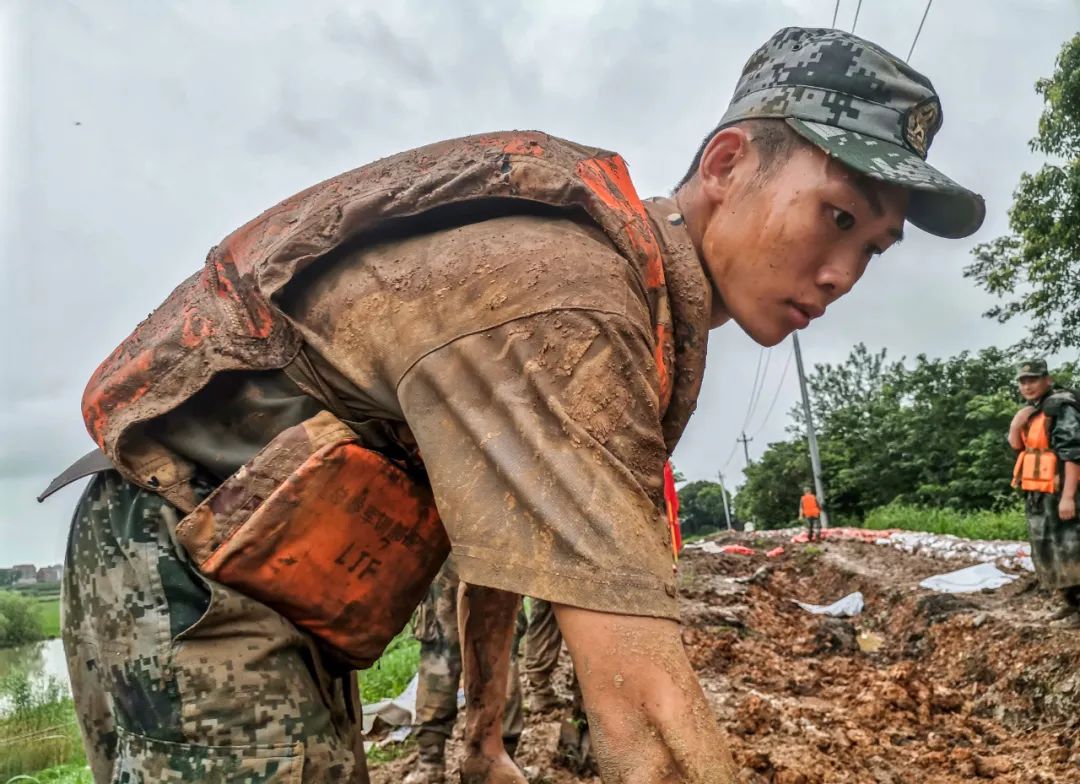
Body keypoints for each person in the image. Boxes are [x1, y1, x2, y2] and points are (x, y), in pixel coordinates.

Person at [43, 26, 984, 783]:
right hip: (190, 556)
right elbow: (648, 722)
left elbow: (500, 553)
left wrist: (482, 738)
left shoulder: (642, 318)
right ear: (729, 162)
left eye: (875, 249)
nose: (844, 272)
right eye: (837, 215)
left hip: (282, 575)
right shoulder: (579, 307)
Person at [406, 559, 525, 784]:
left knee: (441, 651)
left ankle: (430, 763)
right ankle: (498, 759)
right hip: (498, 551)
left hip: (456, 548)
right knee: (498, 648)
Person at [1008, 359, 1080, 628]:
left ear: (1047, 380)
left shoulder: (1061, 407)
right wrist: (1016, 425)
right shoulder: (1032, 411)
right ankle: (1070, 602)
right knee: (1048, 550)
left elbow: (1073, 454)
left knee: (1071, 549)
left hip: (1061, 490)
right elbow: (1018, 447)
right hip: (1039, 492)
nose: (1027, 385)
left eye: (1033, 379)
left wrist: (1069, 497)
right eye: (1023, 381)